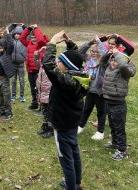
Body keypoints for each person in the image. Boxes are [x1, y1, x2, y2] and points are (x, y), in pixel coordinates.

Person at [43, 31, 90, 190]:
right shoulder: (79, 75)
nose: (57, 62)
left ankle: (71, 186)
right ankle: (76, 182)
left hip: (62, 124)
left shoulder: (65, 80)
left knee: (66, 158)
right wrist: (69, 43)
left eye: (60, 61)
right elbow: (77, 56)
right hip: (72, 122)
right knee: (74, 151)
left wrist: (52, 43)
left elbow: (48, 65)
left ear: (67, 66)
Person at [101, 48, 136, 161]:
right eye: (112, 60)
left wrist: (117, 53)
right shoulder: (108, 67)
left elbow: (123, 66)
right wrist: (109, 54)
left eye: (115, 60)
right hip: (108, 101)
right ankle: (115, 143)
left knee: (119, 127)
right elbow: (102, 62)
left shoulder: (124, 71)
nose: (112, 63)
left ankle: (122, 150)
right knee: (112, 124)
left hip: (118, 104)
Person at [20, 24, 48, 110]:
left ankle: (41, 107)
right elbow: (22, 38)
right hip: (30, 70)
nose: (33, 39)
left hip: (38, 70)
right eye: (32, 37)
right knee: (33, 88)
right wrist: (28, 29)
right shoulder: (28, 43)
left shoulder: (41, 44)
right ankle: (34, 103)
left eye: (35, 37)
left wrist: (36, 29)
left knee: (39, 89)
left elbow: (41, 40)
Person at [34, 46, 53, 138]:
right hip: (42, 93)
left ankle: (51, 129)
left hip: (49, 94)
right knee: (44, 111)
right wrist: (38, 53)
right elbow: (36, 61)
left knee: (50, 112)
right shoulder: (41, 66)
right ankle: (45, 126)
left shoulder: (53, 65)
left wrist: (49, 51)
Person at [8, 23, 26, 102]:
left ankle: (22, 95)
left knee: (21, 80)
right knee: (13, 80)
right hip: (12, 64)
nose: (16, 35)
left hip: (21, 64)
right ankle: (13, 95)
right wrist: (13, 25)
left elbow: (28, 32)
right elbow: (7, 32)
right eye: (15, 34)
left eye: (18, 34)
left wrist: (23, 26)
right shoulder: (11, 41)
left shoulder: (24, 41)